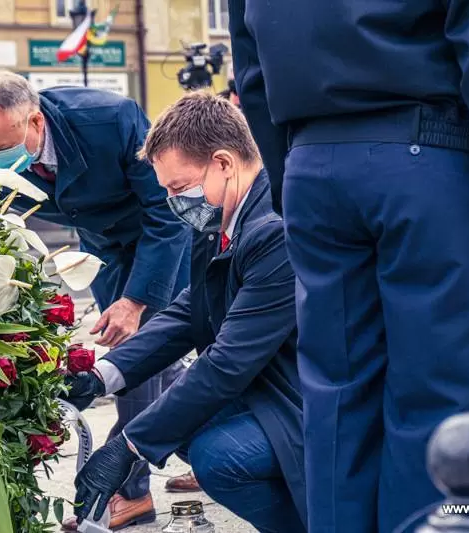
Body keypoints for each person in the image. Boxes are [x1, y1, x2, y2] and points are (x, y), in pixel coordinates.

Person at [228, 1, 469, 532]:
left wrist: (293, 177)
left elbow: (251, 65)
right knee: (446, 397)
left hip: (313, 163)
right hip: (429, 158)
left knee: (337, 398)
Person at [65, 91, 306, 533]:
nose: (174, 201)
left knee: (218, 459)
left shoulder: (273, 229)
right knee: (182, 426)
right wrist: (102, 376)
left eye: (178, 188)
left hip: (302, 397)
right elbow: (189, 310)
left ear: (224, 163)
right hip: (270, 385)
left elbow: (228, 362)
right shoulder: (219, 214)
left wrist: (129, 446)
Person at [0, 70, 191, 530]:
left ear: (36, 121)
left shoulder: (111, 120)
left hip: (161, 240)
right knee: (160, 363)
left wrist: (135, 301)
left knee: (137, 355)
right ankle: (205, 436)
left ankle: (130, 491)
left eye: (2, 145)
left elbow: (167, 212)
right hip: (103, 248)